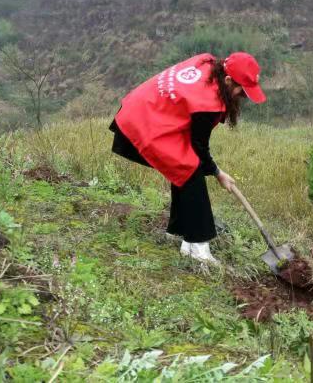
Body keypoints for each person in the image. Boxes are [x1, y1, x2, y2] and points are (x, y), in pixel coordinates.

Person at [109, 52, 266, 264]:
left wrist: (216, 171)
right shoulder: (207, 103)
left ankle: (179, 233)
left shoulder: (208, 65)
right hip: (141, 124)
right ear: (228, 80)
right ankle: (198, 248)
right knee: (190, 169)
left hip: (143, 110)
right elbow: (199, 148)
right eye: (241, 91)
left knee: (184, 168)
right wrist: (218, 173)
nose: (242, 97)